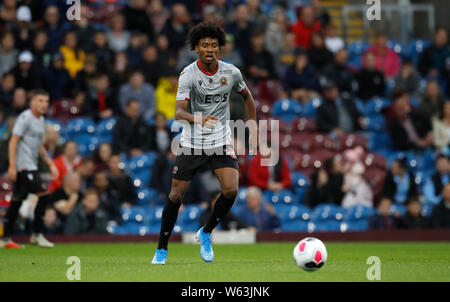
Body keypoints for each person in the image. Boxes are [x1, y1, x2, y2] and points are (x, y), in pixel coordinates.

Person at [151, 21, 257, 265]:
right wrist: (198, 118)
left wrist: (253, 124)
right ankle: (161, 249)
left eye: (214, 45)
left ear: (220, 48)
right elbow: (178, 113)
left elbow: (247, 96)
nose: (210, 49)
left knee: (231, 190)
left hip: (220, 140)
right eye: (204, 45)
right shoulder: (188, 74)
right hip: (192, 141)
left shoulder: (231, 72)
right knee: (176, 195)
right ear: (196, 48)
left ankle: (206, 232)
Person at [0, 90, 59, 249]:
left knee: (16, 202)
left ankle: (5, 238)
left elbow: (38, 145)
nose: (43, 104)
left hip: (31, 164)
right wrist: (12, 165)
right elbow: (14, 141)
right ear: (32, 101)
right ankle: (37, 234)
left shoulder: (41, 120)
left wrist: (49, 162)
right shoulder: (25, 118)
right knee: (44, 195)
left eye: (46, 101)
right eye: (40, 101)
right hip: (24, 166)